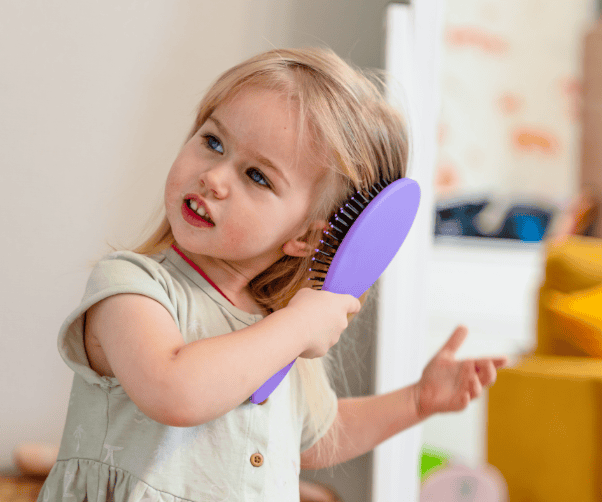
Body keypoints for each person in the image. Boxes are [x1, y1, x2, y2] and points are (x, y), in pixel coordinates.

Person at [38, 47, 508, 502]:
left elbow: (312, 440)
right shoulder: (131, 287)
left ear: (306, 236)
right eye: (213, 142)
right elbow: (174, 391)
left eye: (257, 176)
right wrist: (297, 325)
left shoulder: (278, 331)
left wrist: (416, 401)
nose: (214, 177)